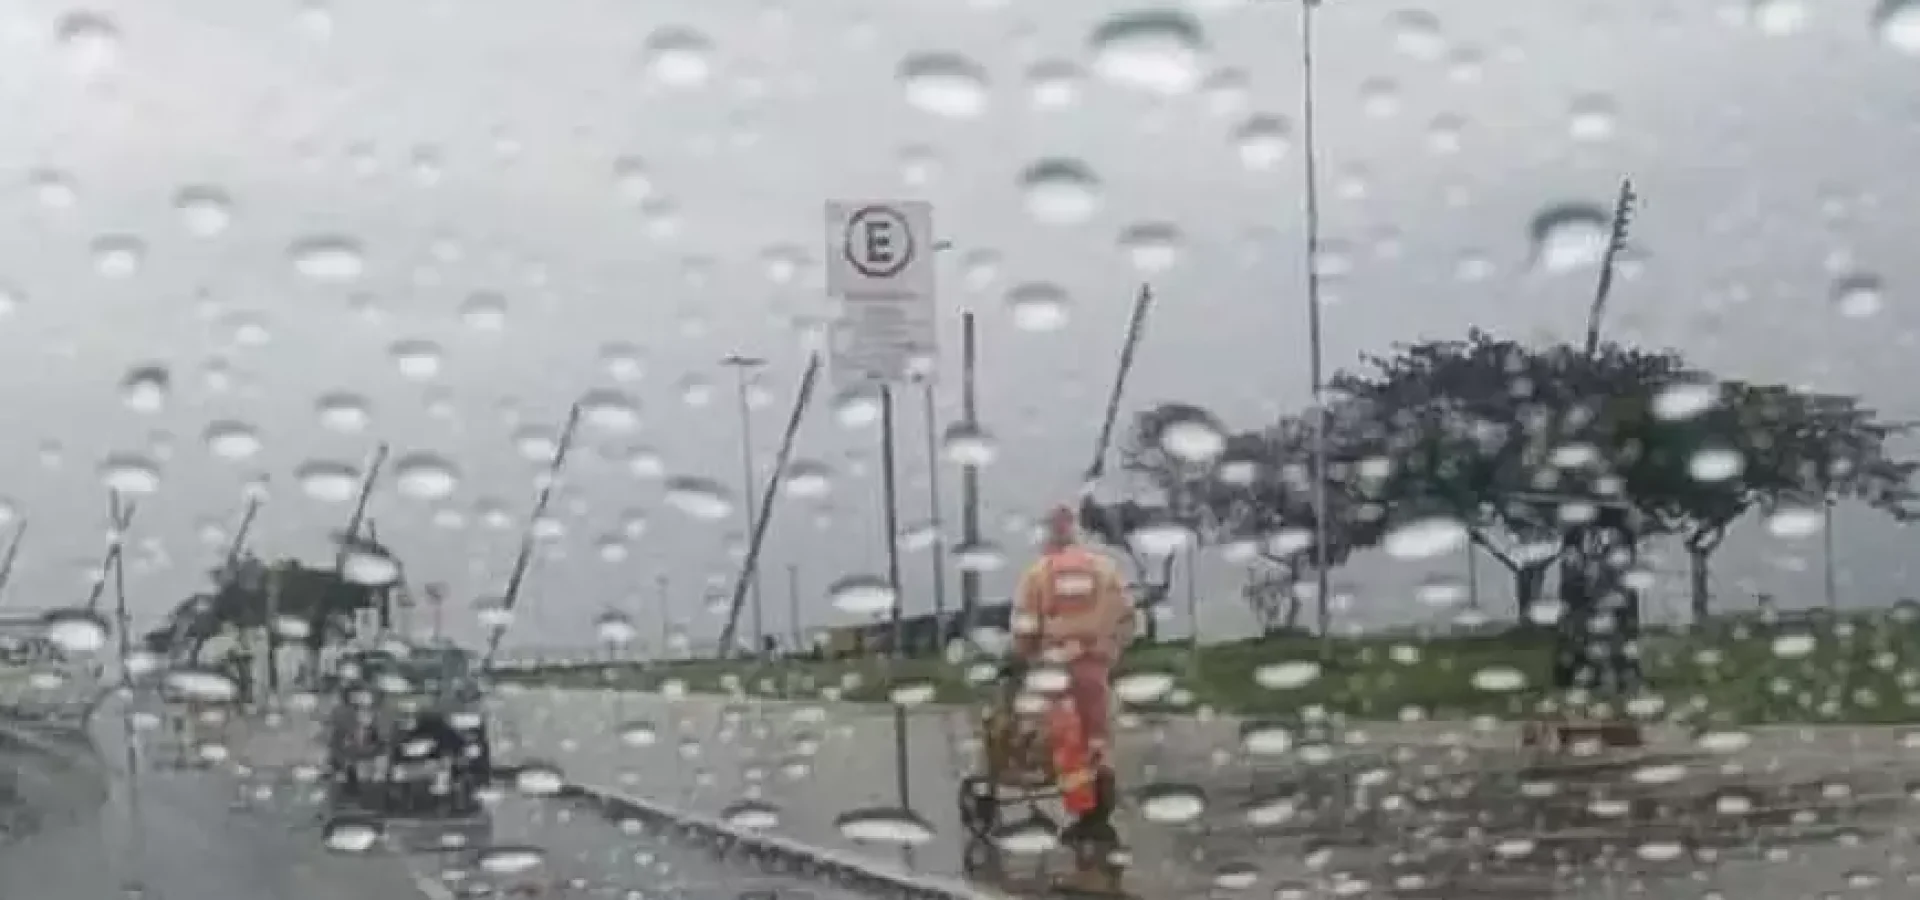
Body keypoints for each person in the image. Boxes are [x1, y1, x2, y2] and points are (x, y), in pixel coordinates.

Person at [1011, 503, 1136, 844]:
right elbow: (1127, 615)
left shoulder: (1039, 573)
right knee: (1097, 733)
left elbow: (1026, 626)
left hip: (1055, 667)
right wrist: (1112, 651)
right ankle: (1102, 794)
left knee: (1068, 739)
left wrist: (1024, 655)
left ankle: (1084, 813)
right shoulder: (1104, 568)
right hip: (1095, 664)